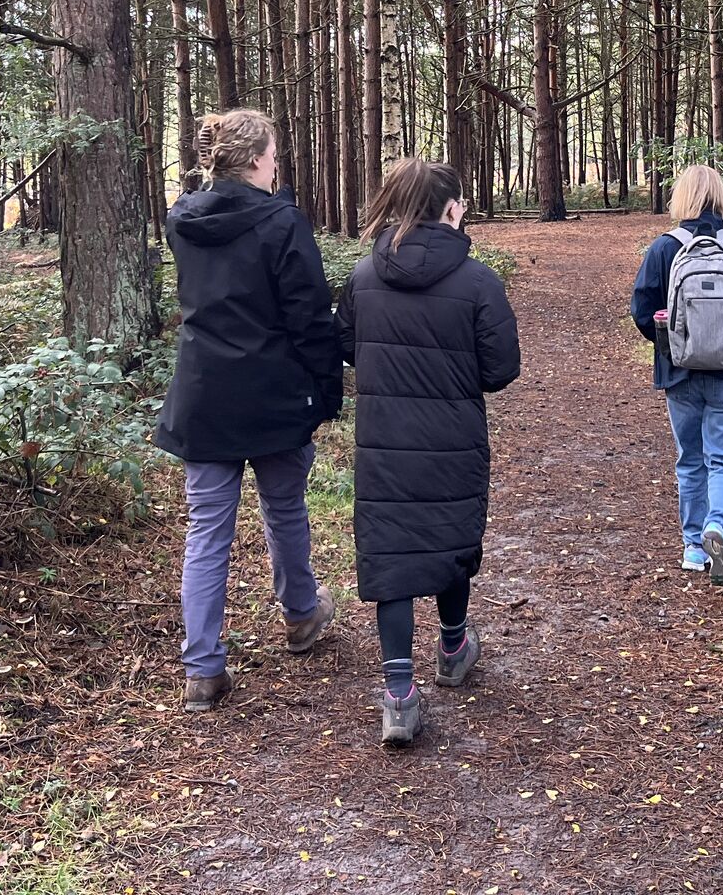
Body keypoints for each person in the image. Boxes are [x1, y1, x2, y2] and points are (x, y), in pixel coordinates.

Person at [154, 108, 341, 712]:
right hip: (273, 394)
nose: (278, 164)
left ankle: (204, 668)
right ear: (256, 160)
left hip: (205, 395)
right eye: (274, 155)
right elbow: (310, 315)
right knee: (284, 507)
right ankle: (301, 616)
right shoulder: (282, 222)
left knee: (207, 529)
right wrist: (327, 387)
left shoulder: (181, 221)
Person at [337, 159, 520, 747]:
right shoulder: (477, 282)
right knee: (449, 537)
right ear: (450, 209)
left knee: (390, 553)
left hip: (383, 441)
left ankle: (397, 694)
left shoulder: (364, 276)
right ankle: (453, 646)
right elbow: (501, 369)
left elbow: (348, 347)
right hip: (451, 439)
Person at [629, 164, 723, 588]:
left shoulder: (664, 248)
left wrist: (672, 345)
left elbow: (642, 310)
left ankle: (695, 547)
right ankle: (720, 530)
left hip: (680, 374)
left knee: (690, 461)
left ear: (681, 197)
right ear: (720, 197)